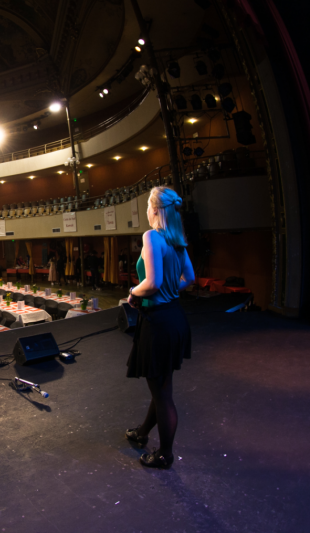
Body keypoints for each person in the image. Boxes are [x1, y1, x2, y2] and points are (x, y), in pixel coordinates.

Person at [124, 187, 195, 469]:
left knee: (163, 395)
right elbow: (188, 278)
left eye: (147, 206)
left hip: (159, 324)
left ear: (154, 209)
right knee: (161, 388)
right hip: (175, 319)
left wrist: (132, 292)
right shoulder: (177, 240)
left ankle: (165, 454)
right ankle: (142, 434)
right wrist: (167, 290)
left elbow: (151, 283)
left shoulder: (151, 236)